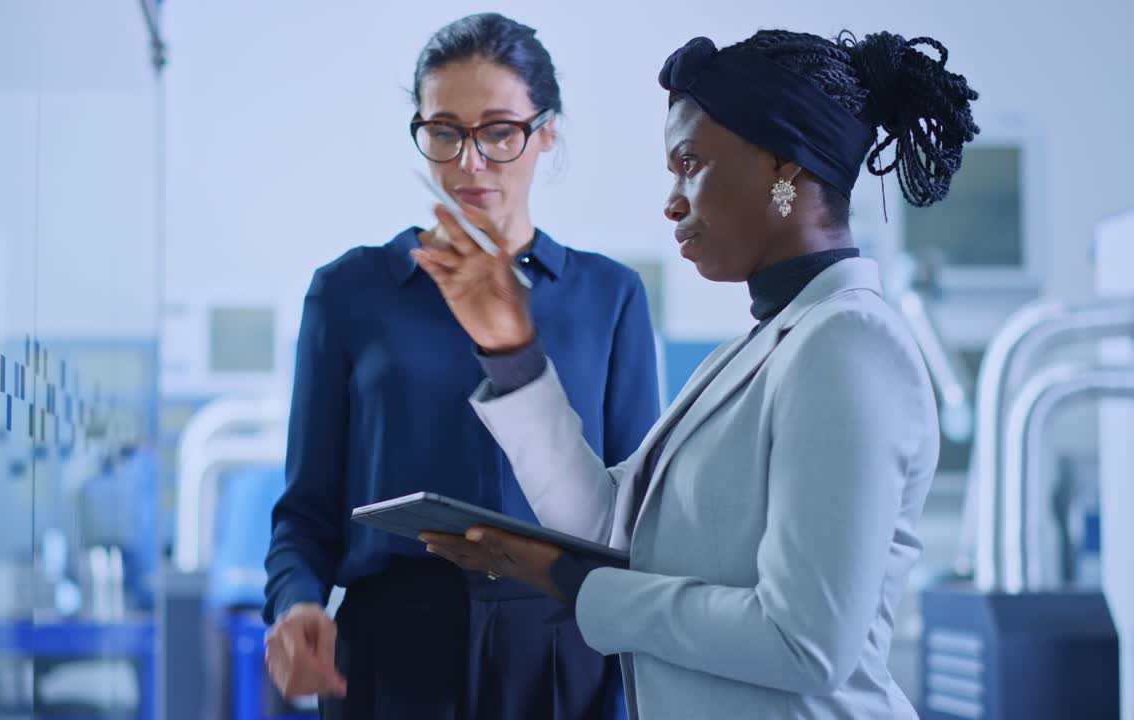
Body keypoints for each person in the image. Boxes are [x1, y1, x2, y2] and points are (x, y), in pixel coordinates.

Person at [415, 29, 979, 719]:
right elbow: (605, 521)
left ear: (783, 166)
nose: (672, 201)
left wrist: (572, 582)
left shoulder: (847, 343)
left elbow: (804, 642)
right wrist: (512, 352)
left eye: (689, 163)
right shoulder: (750, 353)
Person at [261, 12, 660, 720]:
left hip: (563, 650)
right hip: (392, 651)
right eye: (445, 131)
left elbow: (640, 524)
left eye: (499, 132)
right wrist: (294, 605)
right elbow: (305, 511)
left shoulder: (609, 296)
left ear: (547, 133)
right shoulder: (351, 292)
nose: (470, 163)